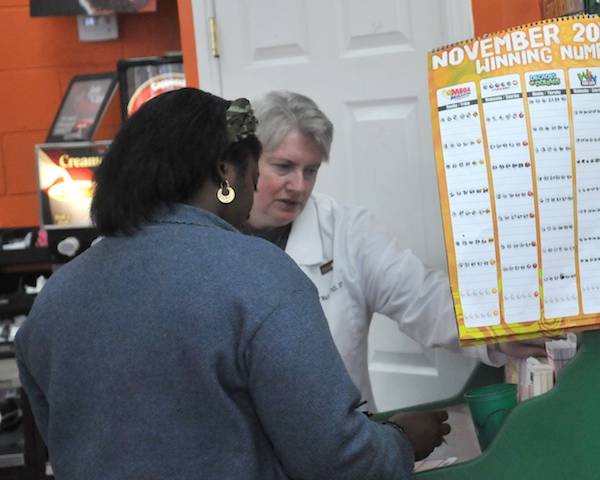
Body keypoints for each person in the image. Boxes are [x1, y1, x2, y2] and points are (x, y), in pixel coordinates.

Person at [15, 88, 448, 480]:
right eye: (258, 169)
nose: (260, 183)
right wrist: (401, 441)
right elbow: (336, 460)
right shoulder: (259, 273)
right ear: (225, 171)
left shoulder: (55, 300)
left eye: (310, 170)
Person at [247, 90, 547, 412]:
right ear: (245, 162)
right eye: (283, 167)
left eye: (311, 170)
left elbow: (423, 297)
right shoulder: (206, 237)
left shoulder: (345, 231)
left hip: (347, 443)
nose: (299, 186)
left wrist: (497, 330)